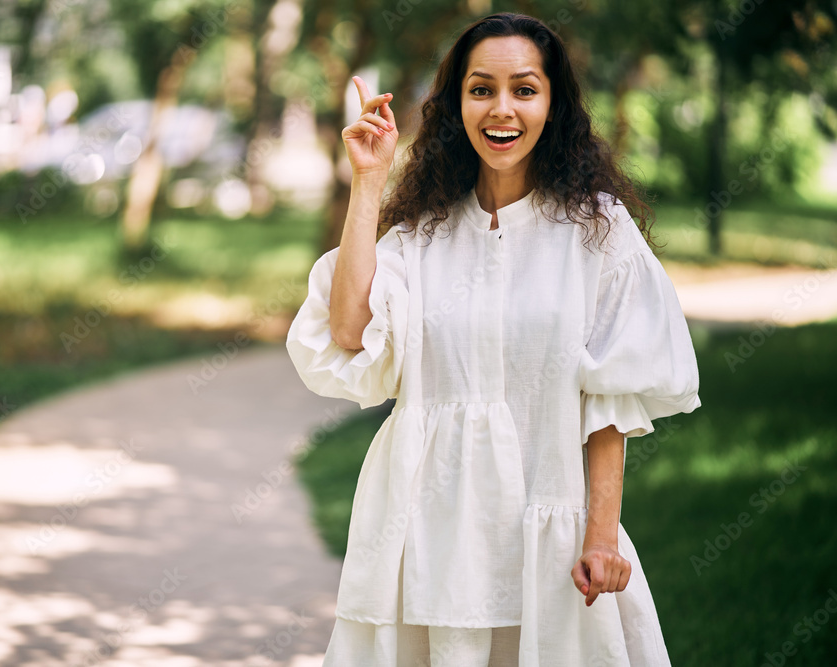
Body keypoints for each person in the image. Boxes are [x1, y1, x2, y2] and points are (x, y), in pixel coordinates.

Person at [285, 11, 701, 667]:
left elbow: (610, 400)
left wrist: (600, 536)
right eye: (481, 89)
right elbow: (348, 329)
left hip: (550, 533)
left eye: (524, 89)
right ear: (457, 104)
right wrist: (369, 181)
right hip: (427, 534)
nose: (501, 109)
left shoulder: (597, 231)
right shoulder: (422, 232)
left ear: (553, 104)